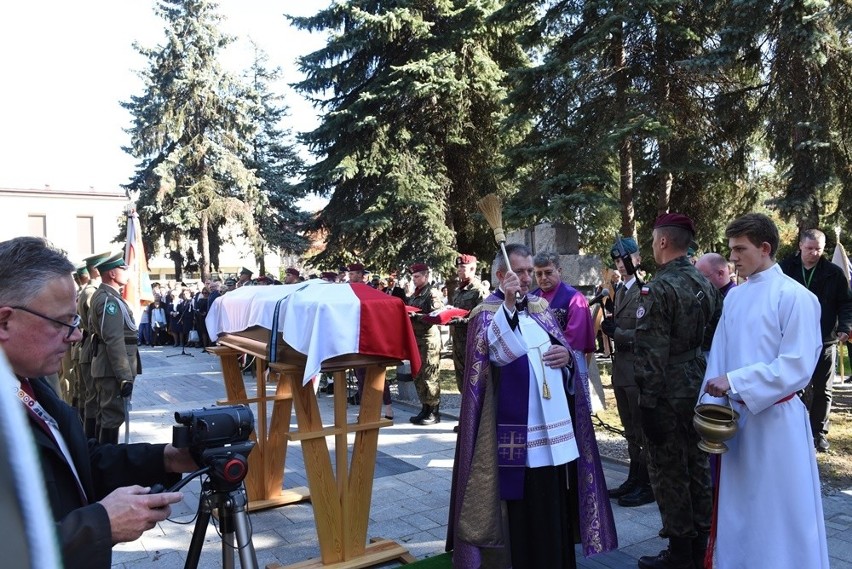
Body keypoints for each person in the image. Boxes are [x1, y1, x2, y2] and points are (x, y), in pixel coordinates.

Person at [0, 236, 196, 569]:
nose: (75, 335)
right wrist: (99, 525)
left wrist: (167, 458)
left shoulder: (24, 379)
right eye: (63, 322)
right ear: (5, 321)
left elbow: (78, 459)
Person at [447, 243, 616, 569]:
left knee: (554, 505)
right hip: (514, 436)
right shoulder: (485, 314)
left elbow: (562, 351)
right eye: (519, 271)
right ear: (501, 275)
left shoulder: (540, 308)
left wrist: (567, 358)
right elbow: (498, 355)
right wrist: (508, 307)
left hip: (554, 434)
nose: (527, 278)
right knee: (522, 514)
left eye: (529, 271)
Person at [702, 213, 829, 568]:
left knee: (779, 512)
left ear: (765, 248)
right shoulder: (735, 298)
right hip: (738, 423)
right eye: (731, 250)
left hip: (777, 425)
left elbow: (797, 365)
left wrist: (738, 381)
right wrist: (708, 408)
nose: (734, 258)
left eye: (740, 249)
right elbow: (719, 358)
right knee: (739, 511)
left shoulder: (797, 297)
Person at [633, 213, 722, 569]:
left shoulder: (660, 287)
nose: (653, 245)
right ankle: (701, 543)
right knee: (697, 464)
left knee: (668, 470)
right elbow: (713, 335)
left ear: (664, 242)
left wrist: (648, 401)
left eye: (654, 240)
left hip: (667, 390)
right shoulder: (705, 285)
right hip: (697, 383)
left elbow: (651, 350)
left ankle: (680, 551)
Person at [779, 228, 852, 452]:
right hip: (792, 338)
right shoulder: (784, 269)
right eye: (809, 248)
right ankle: (793, 430)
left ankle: (818, 434)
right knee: (792, 387)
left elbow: (846, 303)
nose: (813, 253)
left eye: (818, 249)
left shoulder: (833, 272)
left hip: (825, 339)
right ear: (800, 245)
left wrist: (845, 326)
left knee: (823, 390)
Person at [600, 237, 655, 508]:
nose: (620, 266)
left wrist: (618, 333)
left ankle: (647, 484)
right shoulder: (620, 291)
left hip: (636, 371)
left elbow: (648, 333)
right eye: (617, 262)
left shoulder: (646, 290)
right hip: (621, 371)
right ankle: (634, 477)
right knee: (630, 430)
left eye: (623, 260)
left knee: (641, 430)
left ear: (637, 259)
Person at [90, 252, 139, 444]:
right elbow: (114, 340)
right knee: (112, 416)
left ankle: (101, 459)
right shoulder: (109, 301)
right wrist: (124, 377)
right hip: (112, 369)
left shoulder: (109, 297)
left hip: (109, 368)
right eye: (123, 269)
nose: (126, 273)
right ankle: (107, 466)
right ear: (111, 273)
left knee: (108, 415)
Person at [531, 250, 595, 355]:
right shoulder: (531, 299)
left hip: (567, 358)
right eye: (538, 274)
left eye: (548, 272)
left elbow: (576, 337)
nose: (543, 278)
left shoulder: (575, 299)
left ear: (559, 271)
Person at [406, 262, 444, 425]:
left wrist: (416, 316)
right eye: (413, 277)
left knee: (430, 375)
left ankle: (434, 411)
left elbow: (437, 315)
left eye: (417, 276)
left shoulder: (432, 293)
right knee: (419, 375)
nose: (414, 280)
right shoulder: (415, 294)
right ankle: (425, 408)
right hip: (416, 339)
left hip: (429, 339)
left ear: (426, 276)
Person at [77, 251, 109, 439]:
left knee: (89, 396)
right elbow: (94, 324)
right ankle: (91, 443)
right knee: (94, 399)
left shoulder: (88, 291)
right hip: (92, 347)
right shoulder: (92, 293)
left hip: (88, 345)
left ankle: (87, 440)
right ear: (97, 270)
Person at [447, 254, 488, 393]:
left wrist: (462, 321)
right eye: (458, 267)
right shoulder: (459, 290)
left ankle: (476, 413)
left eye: (463, 267)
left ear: (472, 269)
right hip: (458, 342)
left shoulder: (479, 291)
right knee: (461, 379)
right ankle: (465, 411)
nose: (459, 270)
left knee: (474, 381)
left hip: (472, 343)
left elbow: (483, 318)